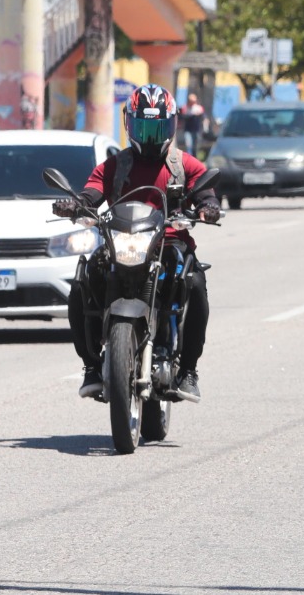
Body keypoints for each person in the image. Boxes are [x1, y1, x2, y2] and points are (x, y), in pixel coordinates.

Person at [53, 84, 221, 403]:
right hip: (122, 240)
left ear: (171, 126)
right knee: (82, 283)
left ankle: (188, 371)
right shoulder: (117, 165)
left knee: (195, 283)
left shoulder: (181, 163)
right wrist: (74, 204)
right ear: (130, 125)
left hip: (170, 242)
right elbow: (92, 191)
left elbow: (205, 188)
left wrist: (207, 206)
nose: (150, 135)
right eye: (144, 127)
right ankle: (91, 366)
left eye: (158, 128)